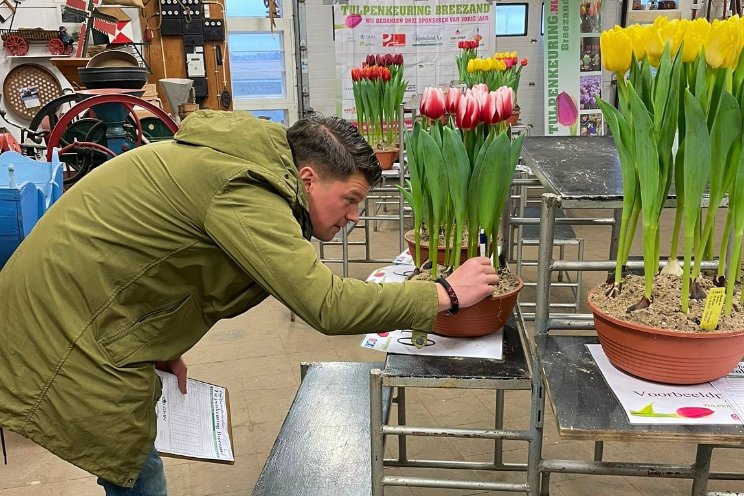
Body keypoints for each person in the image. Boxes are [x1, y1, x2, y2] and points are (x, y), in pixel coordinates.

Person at [0, 110, 499, 495]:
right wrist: (445, 294)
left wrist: (156, 342)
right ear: (307, 178)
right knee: (131, 461)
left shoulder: (236, 166)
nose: (353, 218)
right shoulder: (243, 189)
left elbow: (149, 259)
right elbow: (325, 304)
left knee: (128, 454)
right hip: (60, 328)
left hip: (75, 310)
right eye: (349, 200)